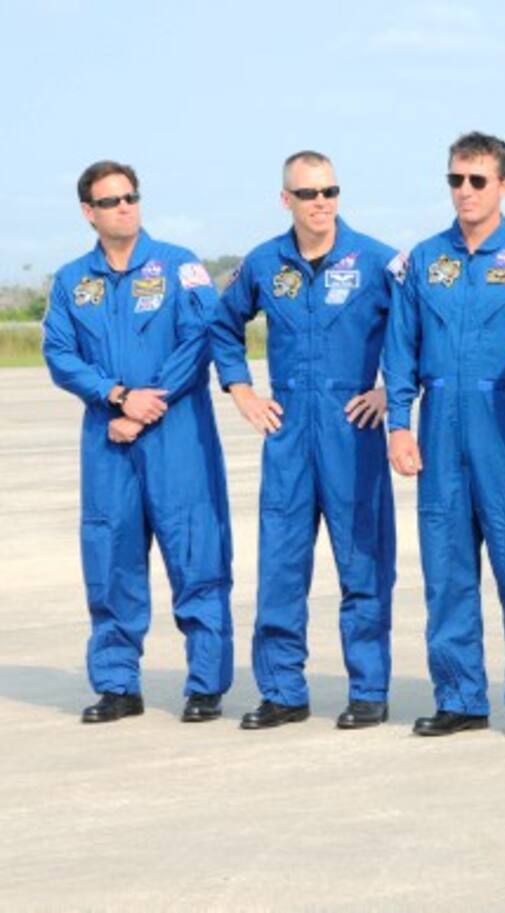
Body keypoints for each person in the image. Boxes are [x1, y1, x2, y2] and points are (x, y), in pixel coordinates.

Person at [384, 132, 505, 738]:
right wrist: (400, 426)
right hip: (441, 428)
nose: (465, 191)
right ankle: (459, 697)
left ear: (503, 186)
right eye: (456, 180)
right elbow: (399, 349)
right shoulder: (423, 261)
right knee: (447, 571)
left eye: (477, 180)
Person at [212, 151, 398, 730]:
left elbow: (417, 331)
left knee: (364, 562)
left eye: (329, 191)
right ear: (285, 198)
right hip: (289, 431)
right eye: (308, 193)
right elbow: (223, 325)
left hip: (353, 430)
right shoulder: (265, 264)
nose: (320, 203)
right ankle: (283, 691)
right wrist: (241, 390)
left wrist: (391, 392)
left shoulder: (378, 261)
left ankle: (368, 690)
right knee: (281, 566)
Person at [43, 160, 233, 724]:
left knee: (196, 555)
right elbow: (59, 354)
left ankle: (204, 686)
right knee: (110, 559)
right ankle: (118, 685)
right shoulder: (72, 281)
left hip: (177, 437)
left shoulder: (180, 266)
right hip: (109, 438)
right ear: (89, 213)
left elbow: (200, 339)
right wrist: (117, 397)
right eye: (111, 201)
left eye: (131, 197)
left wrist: (149, 404)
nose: (125, 207)